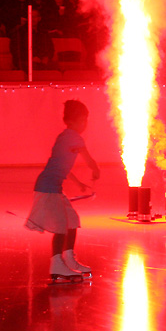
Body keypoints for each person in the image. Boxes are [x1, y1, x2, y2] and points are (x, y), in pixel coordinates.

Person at [23, 99, 100, 283]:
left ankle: (68, 259)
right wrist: (95, 169)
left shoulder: (64, 137)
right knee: (60, 226)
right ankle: (57, 264)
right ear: (73, 121)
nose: (85, 125)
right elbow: (87, 158)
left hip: (52, 187)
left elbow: (62, 166)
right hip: (48, 188)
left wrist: (79, 182)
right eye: (83, 121)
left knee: (71, 220)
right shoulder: (74, 137)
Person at [9, 7, 55, 72]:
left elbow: (51, 48)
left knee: (55, 67)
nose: (32, 19)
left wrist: (47, 57)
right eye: (31, 16)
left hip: (42, 60)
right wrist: (31, 58)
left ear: (39, 18)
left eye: (35, 17)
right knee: (34, 66)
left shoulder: (44, 33)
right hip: (24, 61)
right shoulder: (20, 32)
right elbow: (15, 50)